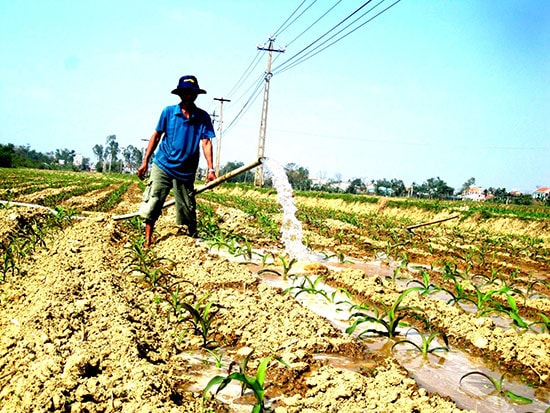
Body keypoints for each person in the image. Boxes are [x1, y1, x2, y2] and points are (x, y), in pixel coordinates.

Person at [137, 75, 217, 247]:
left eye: (192, 93)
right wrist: (145, 162)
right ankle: (147, 241)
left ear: (196, 95)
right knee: (154, 200)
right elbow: (156, 136)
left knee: (187, 206)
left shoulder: (202, 117)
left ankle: (192, 241)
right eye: (186, 93)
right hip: (163, 164)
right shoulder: (168, 112)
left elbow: (206, 142)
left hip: (186, 171)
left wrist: (211, 170)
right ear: (180, 94)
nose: (189, 96)